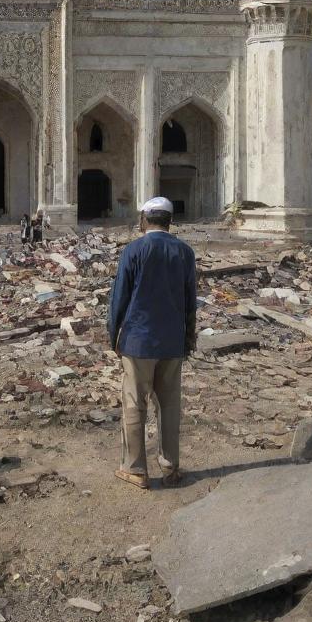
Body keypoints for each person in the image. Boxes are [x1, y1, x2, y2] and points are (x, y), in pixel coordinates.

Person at [107, 196, 196, 490]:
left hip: (138, 340)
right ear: (170, 221)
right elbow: (190, 300)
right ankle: (170, 468)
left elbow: (119, 297)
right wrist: (188, 336)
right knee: (169, 406)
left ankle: (135, 469)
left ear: (144, 219)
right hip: (171, 340)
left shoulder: (134, 250)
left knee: (135, 403)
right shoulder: (184, 252)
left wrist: (113, 333)